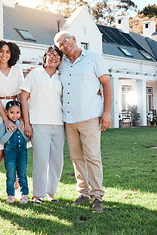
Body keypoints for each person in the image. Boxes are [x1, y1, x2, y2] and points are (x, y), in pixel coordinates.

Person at [54, 31, 112, 212]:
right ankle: (83, 193)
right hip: (69, 119)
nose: (64, 45)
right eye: (60, 44)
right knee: (77, 159)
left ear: (74, 39)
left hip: (90, 117)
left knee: (93, 157)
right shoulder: (60, 64)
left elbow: (106, 84)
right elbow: (47, 72)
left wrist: (107, 112)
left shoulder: (93, 57)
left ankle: (97, 197)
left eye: (66, 40)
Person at [19, 46, 64, 204]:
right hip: (38, 123)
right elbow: (23, 97)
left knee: (57, 161)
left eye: (57, 55)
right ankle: (38, 195)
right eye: (51, 55)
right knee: (41, 160)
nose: (54, 57)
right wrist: (26, 122)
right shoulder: (34, 74)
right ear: (44, 57)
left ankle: (51, 193)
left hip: (59, 124)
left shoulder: (62, 76)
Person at [0, 39, 24, 205]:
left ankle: (15, 189)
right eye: (1, 51)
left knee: (14, 152)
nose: (4, 54)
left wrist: (19, 118)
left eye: (7, 52)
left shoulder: (17, 70)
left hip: (15, 112)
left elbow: (21, 95)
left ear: (12, 54)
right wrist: (5, 120)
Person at [0, 100, 30, 204]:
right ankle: (10, 195)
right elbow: (1, 140)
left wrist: (20, 128)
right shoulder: (3, 125)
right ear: (6, 112)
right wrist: (11, 131)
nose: (14, 115)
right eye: (11, 112)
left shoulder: (22, 124)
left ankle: (24, 195)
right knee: (11, 175)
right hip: (10, 153)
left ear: (20, 113)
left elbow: (27, 138)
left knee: (22, 174)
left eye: (17, 112)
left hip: (22, 153)